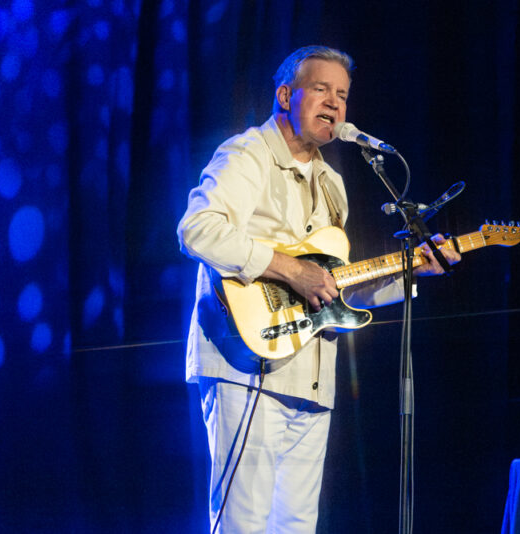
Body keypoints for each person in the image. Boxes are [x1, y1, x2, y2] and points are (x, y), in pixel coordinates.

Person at [177, 45, 460, 534]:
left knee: (296, 526)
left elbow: (335, 289)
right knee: (244, 524)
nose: (334, 102)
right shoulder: (248, 154)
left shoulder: (332, 182)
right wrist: (290, 270)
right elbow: (197, 230)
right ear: (286, 95)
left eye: (343, 95)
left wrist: (414, 272)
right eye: (322, 89)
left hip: (310, 377)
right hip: (247, 368)